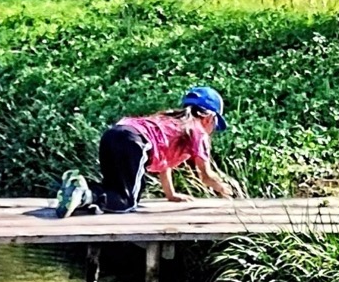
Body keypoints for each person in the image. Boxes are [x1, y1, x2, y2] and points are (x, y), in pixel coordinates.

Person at [55, 85, 242, 216]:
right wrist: (225, 190)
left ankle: (80, 188)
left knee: (114, 190)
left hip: (113, 134)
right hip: (133, 142)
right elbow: (206, 175)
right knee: (126, 203)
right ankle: (85, 194)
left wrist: (171, 194)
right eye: (215, 126)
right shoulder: (198, 131)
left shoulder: (171, 120)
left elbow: (165, 164)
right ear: (209, 118)